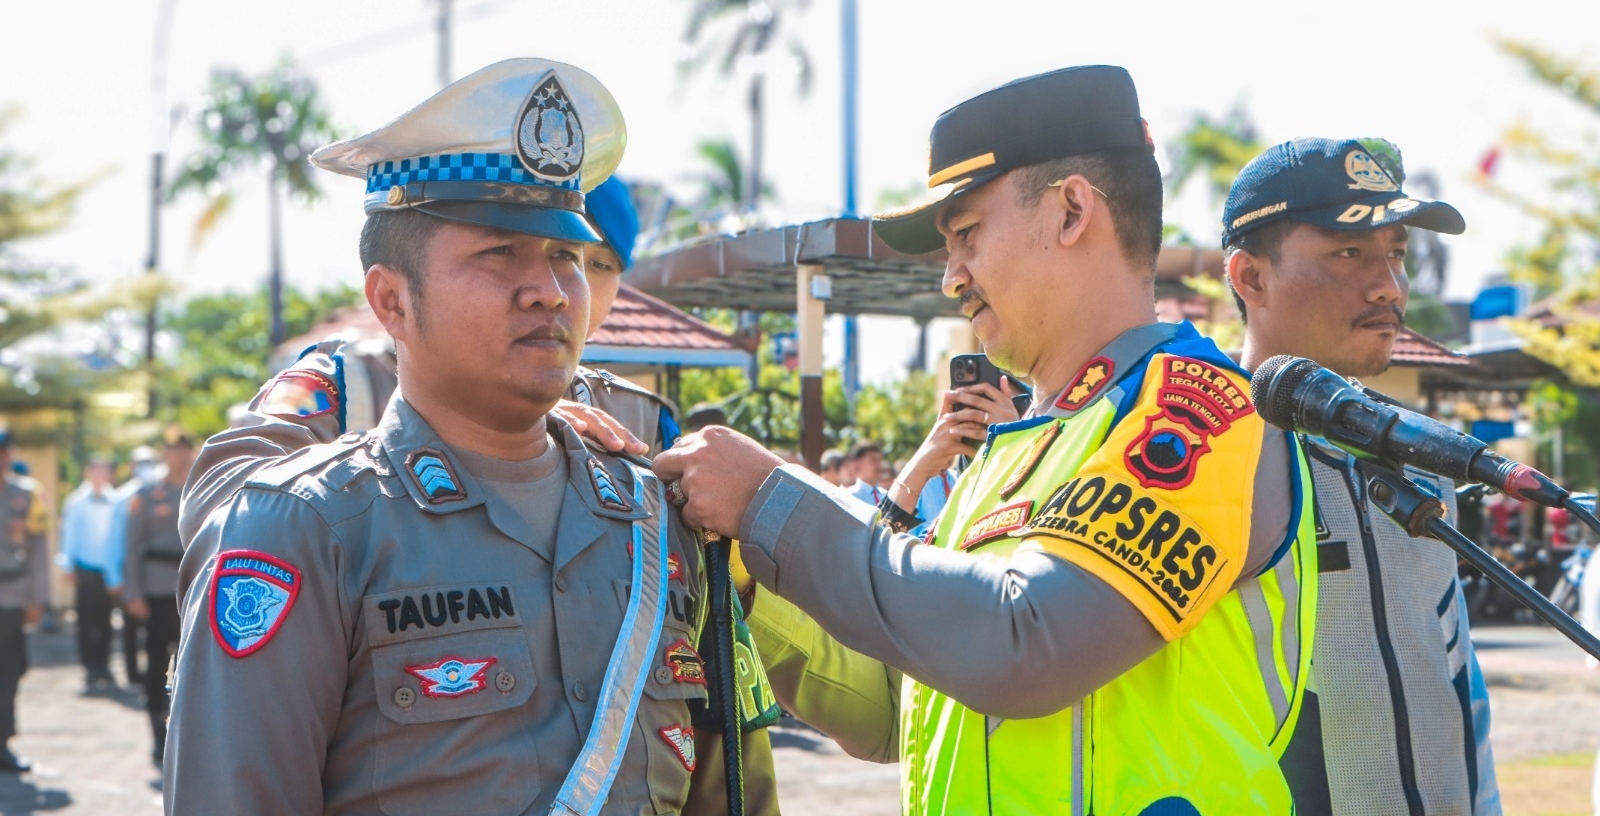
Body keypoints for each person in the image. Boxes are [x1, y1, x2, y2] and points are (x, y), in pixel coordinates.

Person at [657, 64, 1318, 814]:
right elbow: (891, 704)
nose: (951, 277)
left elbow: (1022, 644)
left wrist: (773, 504)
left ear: (1071, 211)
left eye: (965, 233)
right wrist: (744, 574)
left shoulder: (1200, 413)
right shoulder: (1001, 458)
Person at [165, 58, 776, 815]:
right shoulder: (307, 527)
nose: (550, 289)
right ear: (391, 300)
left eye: (566, 257)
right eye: (499, 253)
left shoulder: (657, 518)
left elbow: (730, 789)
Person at [1223, 136, 1500, 815]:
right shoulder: (1202, 450)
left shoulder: (1421, 455)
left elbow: (1460, 683)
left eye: (1397, 254)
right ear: (1250, 277)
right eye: (1348, 253)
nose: (1389, 286)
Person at [121, 432, 196, 766]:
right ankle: (157, 733)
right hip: (156, 592)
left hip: (193, 590)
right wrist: (133, 592)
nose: (178, 455)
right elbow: (131, 547)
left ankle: (189, 736)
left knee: (191, 667)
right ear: (164, 453)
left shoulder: (202, 487)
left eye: (183, 449)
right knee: (155, 668)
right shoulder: (148, 495)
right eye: (172, 449)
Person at [0, 430, 46, 772]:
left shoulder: (26, 496)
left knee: (10, 671)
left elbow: (39, 549)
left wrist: (38, 597)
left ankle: (3, 741)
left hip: (11, 595)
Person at [57, 456, 123, 691]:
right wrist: (67, 564)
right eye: (95, 470)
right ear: (87, 472)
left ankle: (104, 664)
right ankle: (90, 666)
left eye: (104, 470)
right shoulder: (76, 501)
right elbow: (69, 534)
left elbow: (118, 537)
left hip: (109, 570)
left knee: (106, 621)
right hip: (84, 567)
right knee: (85, 620)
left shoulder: (117, 500)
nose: (99, 475)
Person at [117, 445, 161, 689]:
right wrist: (116, 576)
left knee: (154, 629)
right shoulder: (123, 496)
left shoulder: (158, 492)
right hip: (128, 569)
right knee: (130, 626)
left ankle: (150, 677)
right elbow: (116, 539)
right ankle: (133, 673)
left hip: (151, 572)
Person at [843, 441, 886, 505]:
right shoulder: (849, 497)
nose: (878, 465)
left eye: (880, 460)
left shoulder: (887, 496)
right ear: (857, 463)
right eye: (873, 460)